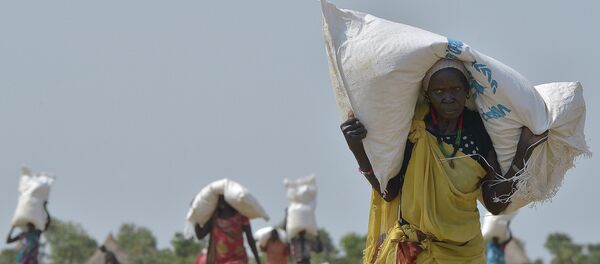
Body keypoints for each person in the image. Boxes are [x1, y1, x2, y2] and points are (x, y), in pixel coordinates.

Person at [340, 59, 548, 263]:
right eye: (439, 92)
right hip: (417, 252)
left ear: (467, 92)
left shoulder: (478, 131)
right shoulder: (415, 129)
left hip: (466, 253)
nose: (448, 97)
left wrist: (523, 153)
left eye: (455, 89)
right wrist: (357, 148)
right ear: (427, 95)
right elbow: (388, 191)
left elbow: (494, 204)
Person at [194, 195, 261, 264]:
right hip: (220, 261)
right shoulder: (214, 218)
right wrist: (196, 216)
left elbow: (250, 239)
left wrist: (258, 260)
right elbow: (200, 235)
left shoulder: (241, 217)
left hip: (239, 259)